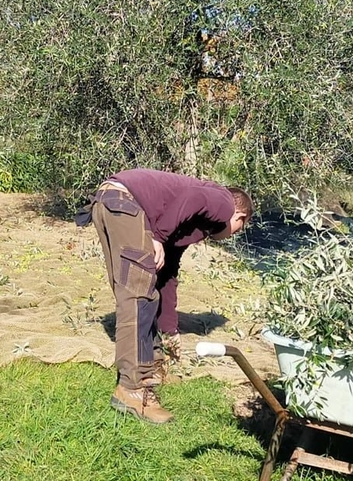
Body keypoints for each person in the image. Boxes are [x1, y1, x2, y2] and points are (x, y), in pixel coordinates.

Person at [81, 169, 252, 423]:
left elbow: (167, 278)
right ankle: (133, 391)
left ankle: (153, 368)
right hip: (127, 204)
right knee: (138, 296)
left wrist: (171, 332)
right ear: (240, 215)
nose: (235, 234)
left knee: (143, 288)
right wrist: (157, 237)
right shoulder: (224, 202)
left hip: (111, 200)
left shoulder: (184, 221)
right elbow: (194, 196)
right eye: (240, 227)